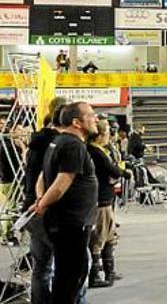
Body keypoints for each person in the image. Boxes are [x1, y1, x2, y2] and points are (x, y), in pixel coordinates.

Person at [32, 102, 99, 304]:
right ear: (77, 122)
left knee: (65, 278)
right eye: (91, 115)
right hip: (71, 225)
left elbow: (42, 178)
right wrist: (42, 204)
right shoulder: (73, 145)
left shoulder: (58, 142)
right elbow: (61, 183)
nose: (95, 118)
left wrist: (40, 199)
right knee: (69, 280)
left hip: (64, 223)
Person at [24, 97, 67, 304]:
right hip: (49, 209)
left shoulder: (36, 140)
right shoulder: (60, 143)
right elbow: (50, 179)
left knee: (41, 268)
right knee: (67, 267)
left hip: (32, 207)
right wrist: (43, 202)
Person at [86, 119, 130, 288]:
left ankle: (109, 270)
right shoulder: (95, 152)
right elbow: (112, 169)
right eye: (107, 133)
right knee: (99, 237)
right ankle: (95, 274)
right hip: (101, 199)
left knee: (110, 236)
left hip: (106, 196)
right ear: (100, 135)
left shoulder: (100, 150)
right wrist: (123, 173)